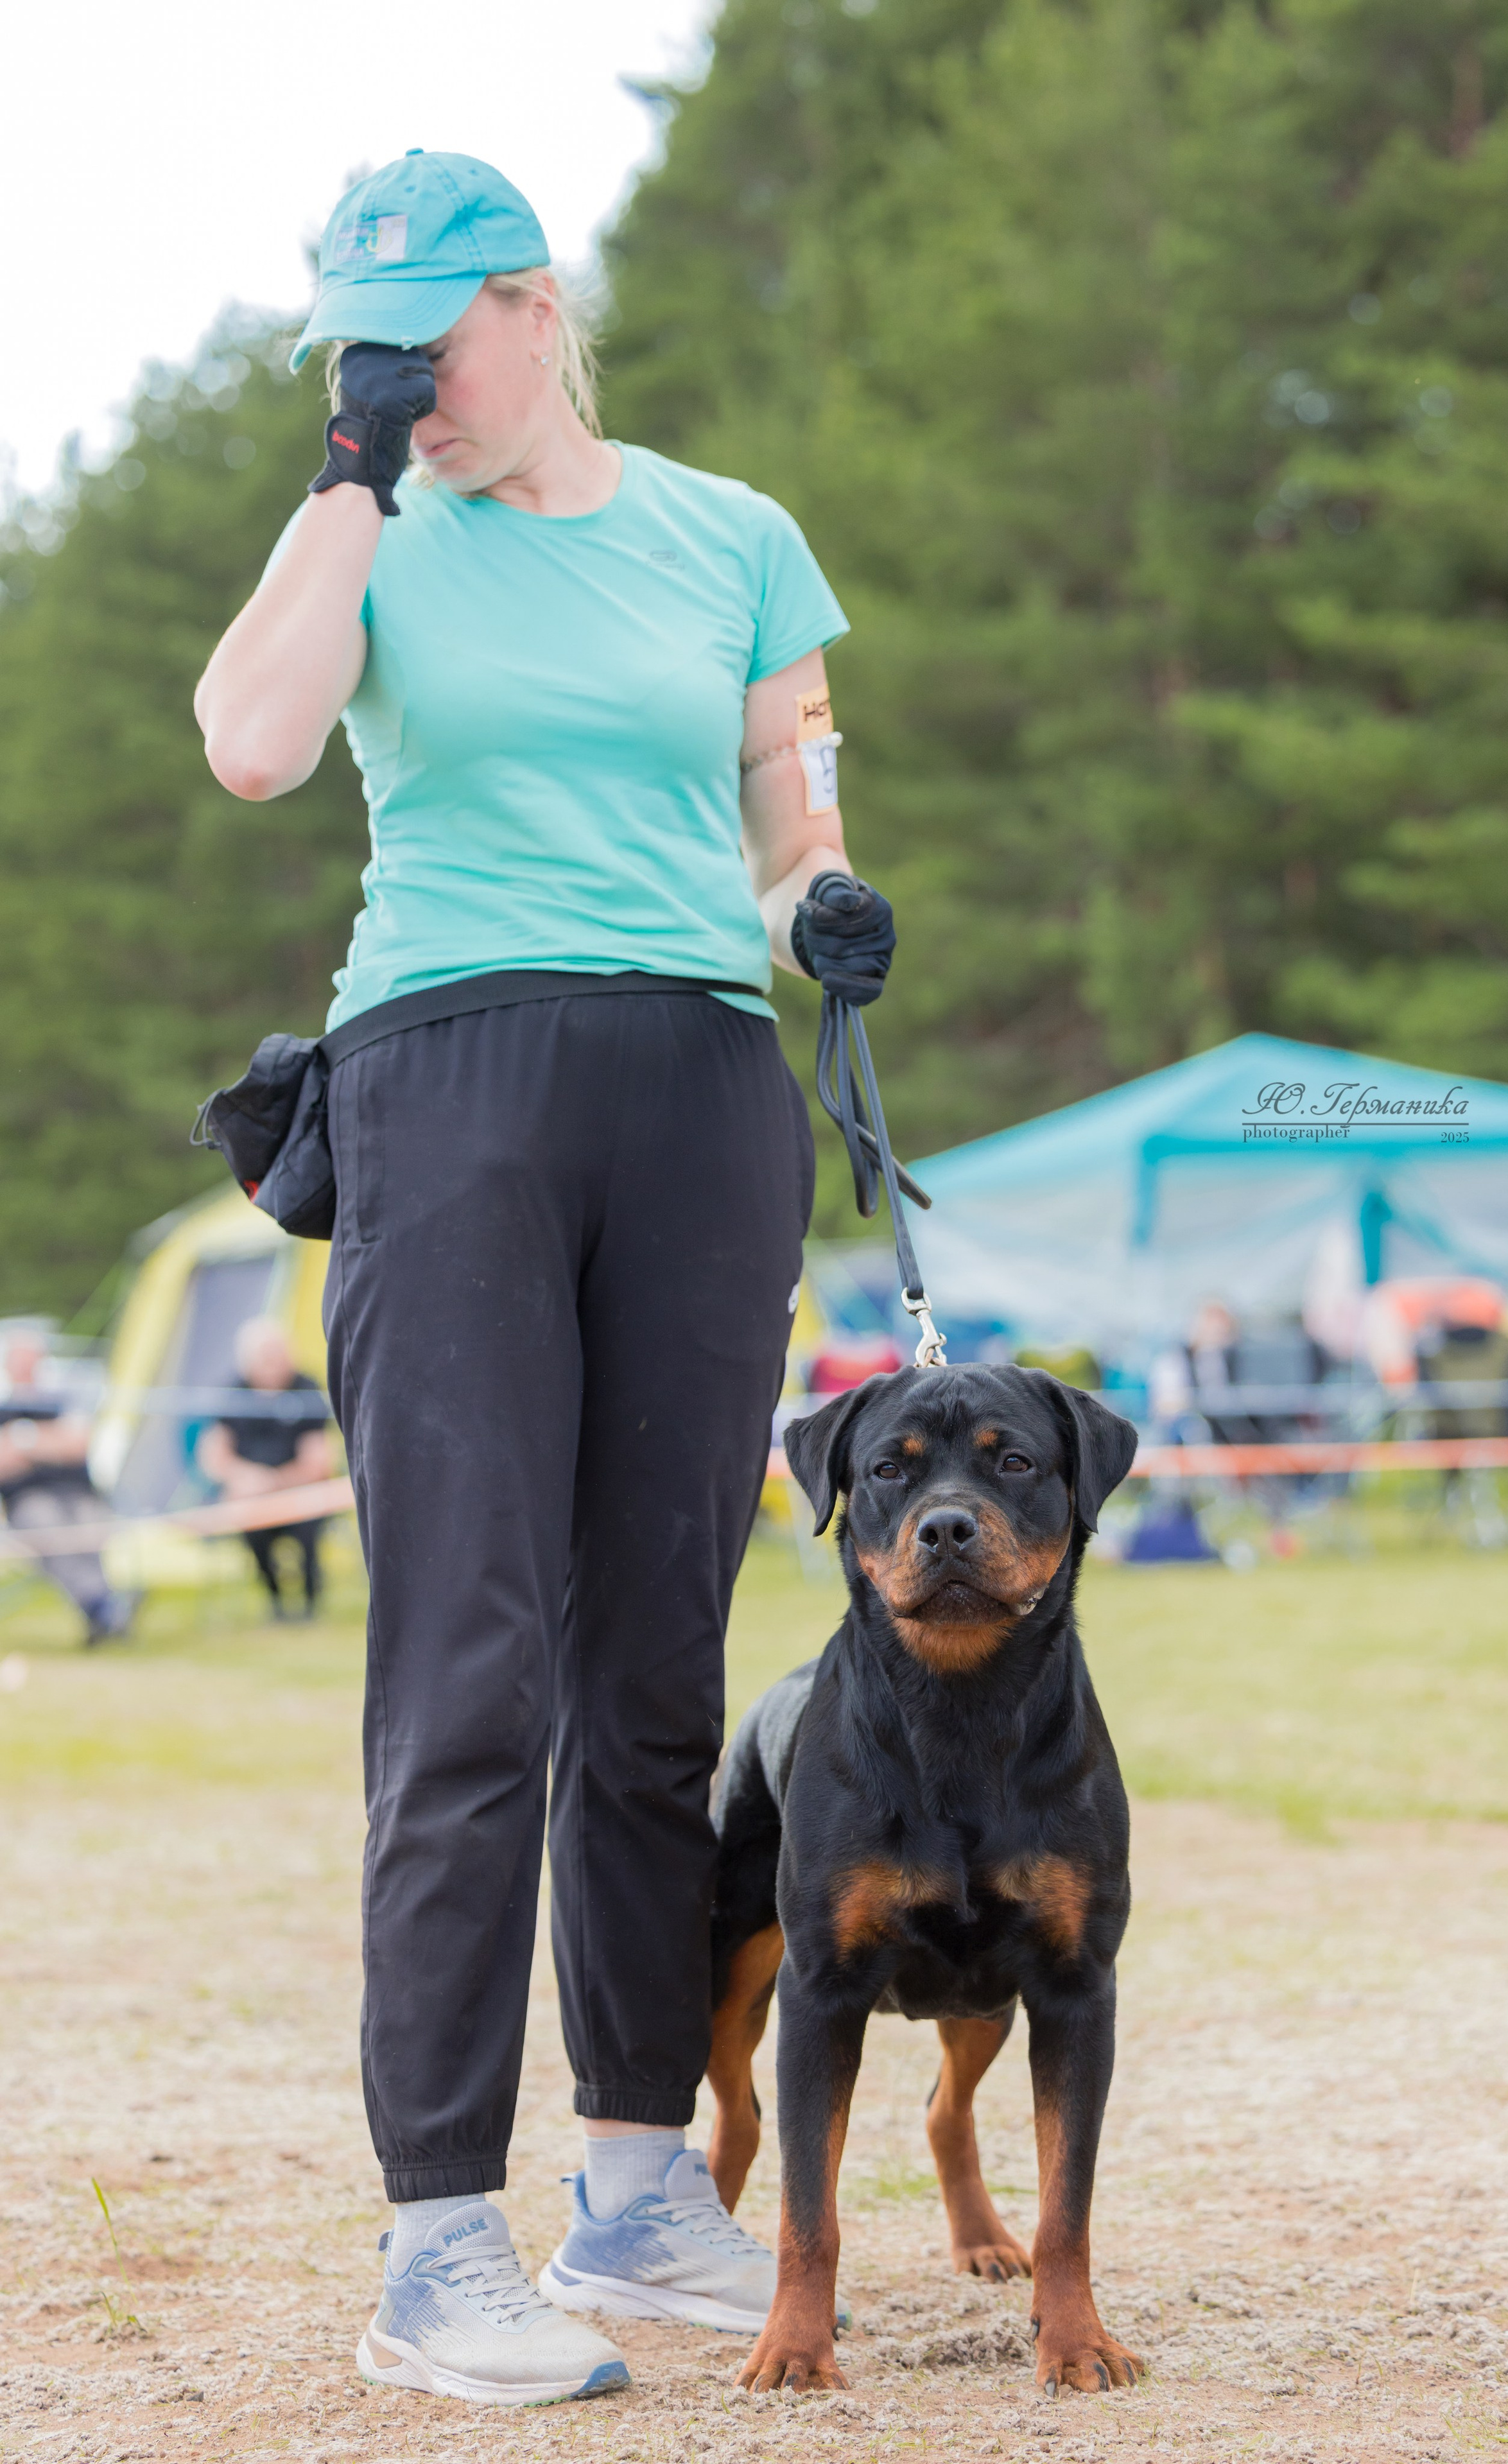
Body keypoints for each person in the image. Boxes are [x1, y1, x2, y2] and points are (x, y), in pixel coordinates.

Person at [194, 152, 896, 2409]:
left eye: (432, 341)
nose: (406, 384)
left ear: (534, 303)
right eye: (363, 351)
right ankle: (435, 2241)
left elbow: (788, 815)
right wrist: (350, 476)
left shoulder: (734, 535)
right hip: (450, 1077)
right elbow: (254, 743)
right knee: (472, 1661)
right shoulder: (370, 530)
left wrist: (817, 909)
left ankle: (634, 2177)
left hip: (698, 1080)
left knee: (655, 1661)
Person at [0, 1330, 133, 1646]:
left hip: (80, 1494)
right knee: (50, 1530)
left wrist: (24, 1440)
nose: (26, 1366)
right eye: (20, 1360)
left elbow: (77, 1444)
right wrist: (50, 1442)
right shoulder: (5, 1408)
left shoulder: (60, 1400)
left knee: (89, 1528)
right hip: (28, 1501)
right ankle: (103, 1605)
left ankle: (101, 1609)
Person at [197, 1319, 333, 1619]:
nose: (273, 1363)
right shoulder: (233, 1393)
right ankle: (276, 1599)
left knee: (309, 1524)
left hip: (299, 1492)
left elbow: (319, 1460)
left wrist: (276, 1481)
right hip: (253, 1496)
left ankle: (310, 1601)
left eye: (278, 1354)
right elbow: (213, 1456)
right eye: (265, 1356)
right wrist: (244, 1477)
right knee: (251, 1526)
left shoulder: (307, 1389)